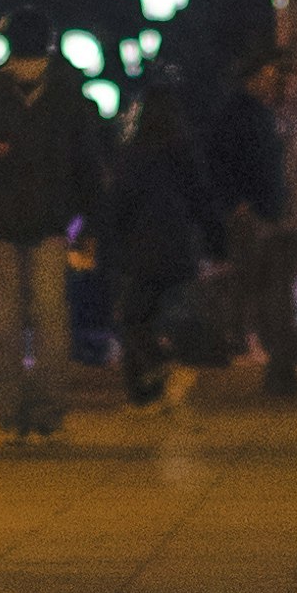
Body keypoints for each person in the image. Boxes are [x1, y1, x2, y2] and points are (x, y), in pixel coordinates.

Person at [0, 8, 109, 445]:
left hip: (22, 223)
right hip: (31, 222)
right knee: (41, 319)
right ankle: (33, 413)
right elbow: (88, 165)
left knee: (18, 322)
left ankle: (23, 414)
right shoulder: (62, 95)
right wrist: (92, 222)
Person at [103, 68, 219, 407]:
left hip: (141, 251)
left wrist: (106, 236)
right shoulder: (185, 153)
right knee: (150, 316)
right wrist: (215, 243)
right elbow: (202, 200)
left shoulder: (134, 155)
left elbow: (119, 202)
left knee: (131, 318)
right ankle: (151, 390)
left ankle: (156, 374)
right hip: (178, 249)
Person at [208, 48, 297, 395]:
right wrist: (239, 206)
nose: (276, 82)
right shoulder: (245, 116)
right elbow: (227, 164)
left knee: (270, 294)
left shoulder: (255, 114)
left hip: (267, 214)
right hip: (258, 217)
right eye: (270, 74)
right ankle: (279, 367)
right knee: (271, 294)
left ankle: (280, 367)